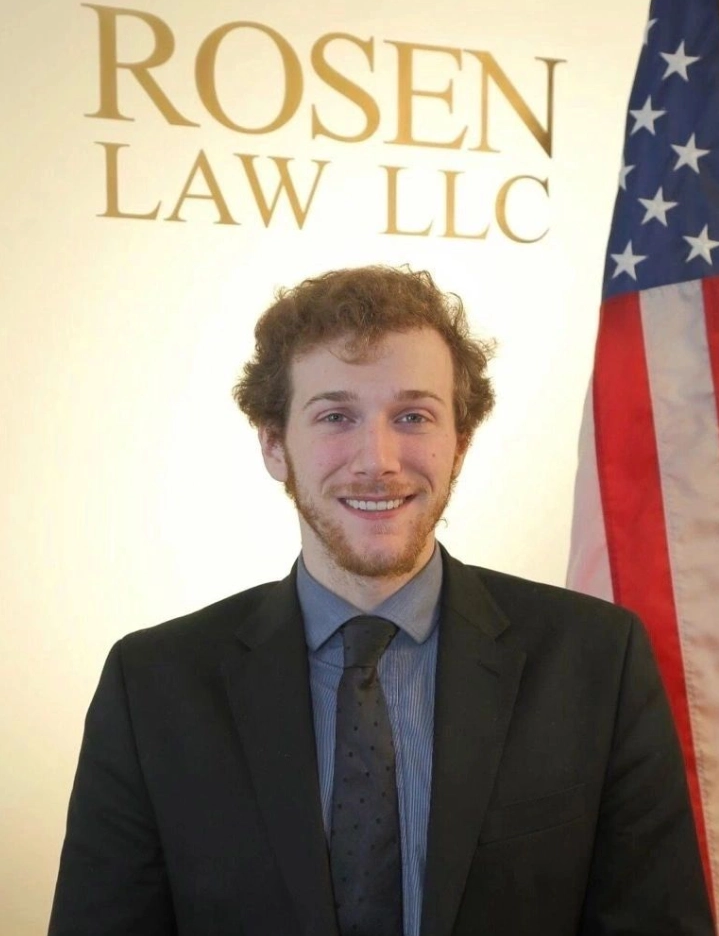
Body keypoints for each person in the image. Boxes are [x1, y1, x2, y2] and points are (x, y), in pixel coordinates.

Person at [49, 266, 713, 936]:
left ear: (460, 444)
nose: (379, 458)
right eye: (336, 415)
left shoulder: (595, 658)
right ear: (274, 445)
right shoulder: (154, 684)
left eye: (412, 416)